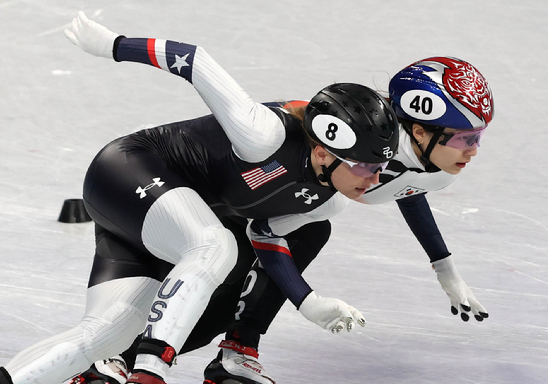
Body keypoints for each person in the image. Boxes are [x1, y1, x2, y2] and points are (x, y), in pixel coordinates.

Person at [0, 11, 400, 384]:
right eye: (365, 166)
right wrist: (112, 44)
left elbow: (266, 236)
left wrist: (307, 301)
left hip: (153, 226)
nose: (375, 177)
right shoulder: (264, 134)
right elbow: (194, 60)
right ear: (322, 152)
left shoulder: (330, 199)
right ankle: (151, 371)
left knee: (102, 337)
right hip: (126, 172)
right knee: (216, 245)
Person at [68, 56, 495, 384]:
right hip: (192, 185)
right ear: (420, 131)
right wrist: (306, 301)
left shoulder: (429, 165)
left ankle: (235, 352)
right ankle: (111, 359)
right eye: (467, 137)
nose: (474, 150)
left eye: (478, 137)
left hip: (243, 204)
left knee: (300, 236)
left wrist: (446, 269)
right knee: (287, 235)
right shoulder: (366, 142)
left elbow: (410, 188)